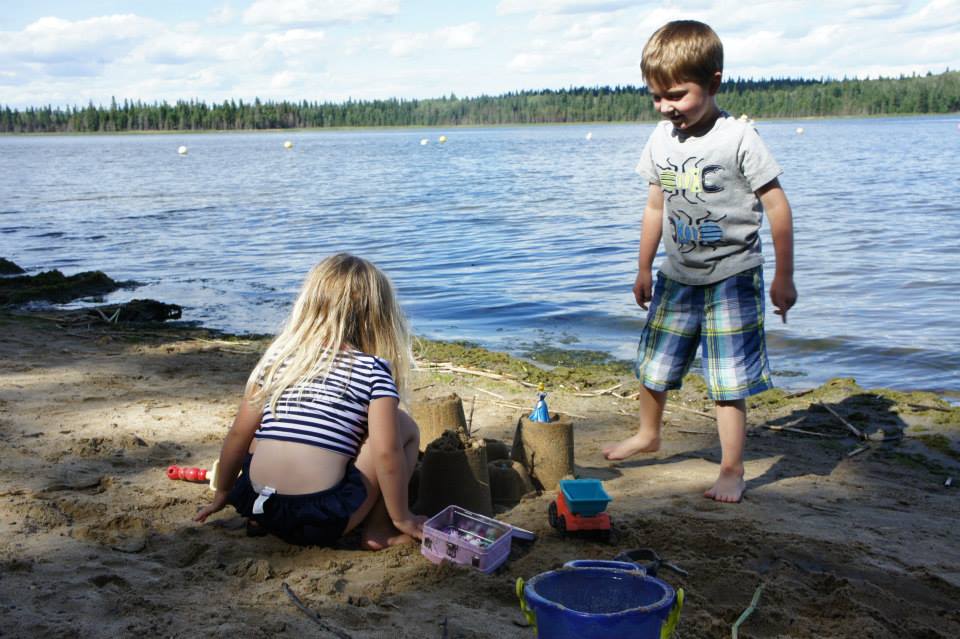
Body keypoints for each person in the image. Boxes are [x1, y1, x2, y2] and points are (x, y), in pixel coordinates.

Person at [603, 20, 797, 503]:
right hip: (677, 275)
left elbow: (777, 206)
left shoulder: (739, 138)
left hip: (733, 274)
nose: (667, 107)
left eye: (677, 95)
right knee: (654, 365)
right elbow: (654, 207)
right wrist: (644, 267)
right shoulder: (661, 140)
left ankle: (732, 468)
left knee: (728, 379)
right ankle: (649, 434)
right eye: (656, 96)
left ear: (712, 82)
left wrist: (784, 275)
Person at [195, 253, 425, 548]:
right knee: (401, 429)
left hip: (257, 505)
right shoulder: (373, 370)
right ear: (378, 317)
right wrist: (403, 516)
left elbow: (238, 435)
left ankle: (256, 520)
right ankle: (381, 529)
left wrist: (223, 494)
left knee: (265, 425)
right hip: (322, 521)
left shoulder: (279, 361)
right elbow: (386, 455)